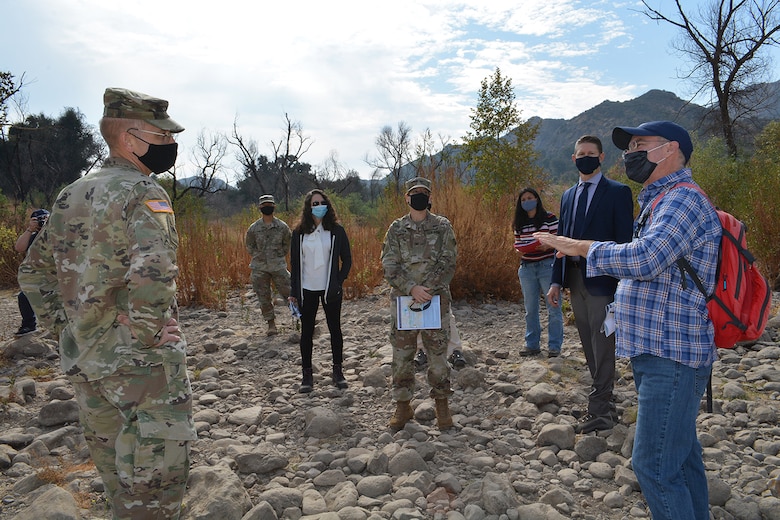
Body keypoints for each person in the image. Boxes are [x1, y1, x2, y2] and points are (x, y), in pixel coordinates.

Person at [18, 88, 196, 520]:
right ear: (131, 138)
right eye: (163, 136)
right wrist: (147, 332)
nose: (171, 145)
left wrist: (70, 326)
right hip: (141, 366)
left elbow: (32, 272)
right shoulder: (142, 191)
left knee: (118, 483)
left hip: (87, 361)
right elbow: (154, 270)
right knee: (156, 489)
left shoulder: (71, 194)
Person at [535, 121, 720, 520]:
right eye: (629, 146)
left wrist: (578, 247)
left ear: (670, 150)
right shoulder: (659, 200)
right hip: (658, 351)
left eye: (640, 144)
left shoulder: (682, 201)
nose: (630, 153)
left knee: (653, 466)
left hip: (672, 354)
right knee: (682, 458)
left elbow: (646, 258)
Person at [548, 134, 634, 434]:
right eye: (580, 153)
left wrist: (624, 285)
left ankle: (599, 411)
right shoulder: (568, 195)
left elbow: (625, 241)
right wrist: (556, 281)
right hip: (573, 280)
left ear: (601, 158)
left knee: (603, 344)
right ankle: (605, 401)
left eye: (591, 153)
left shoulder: (618, 192)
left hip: (603, 283)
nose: (585, 156)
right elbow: (563, 240)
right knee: (588, 343)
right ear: (574, 159)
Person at [382, 177, 457, 430]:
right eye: (414, 193)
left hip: (435, 302)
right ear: (406, 198)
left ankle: (442, 409)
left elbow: (448, 262)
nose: (419, 197)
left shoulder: (442, 226)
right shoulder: (396, 229)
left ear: (429, 197)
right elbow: (389, 265)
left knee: (437, 356)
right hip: (404, 303)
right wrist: (411, 288)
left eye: (423, 193)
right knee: (402, 357)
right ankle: (403, 407)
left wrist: (427, 290)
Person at [289, 189, 352, 393]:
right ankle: (307, 376)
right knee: (306, 332)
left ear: (328, 205)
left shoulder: (336, 231)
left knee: (335, 330)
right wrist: (293, 291)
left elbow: (347, 260)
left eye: (321, 202)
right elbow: (295, 265)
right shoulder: (299, 233)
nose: (318, 207)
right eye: (314, 204)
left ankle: (338, 372)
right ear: (308, 207)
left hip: (329, 290)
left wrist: (338, 281)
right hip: (307, 289)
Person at [513, 187, 564, 358]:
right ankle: (532, 344)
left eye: (530, 198)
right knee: (530, 309)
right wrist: (521, 250)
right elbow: (518, 244)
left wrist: (548, 245)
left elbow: (559, 240)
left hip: (547, 266)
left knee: (554, 306)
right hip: (527, 268)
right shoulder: (519, 222)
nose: (527, 201)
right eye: (523, 199)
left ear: (537, 199)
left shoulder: (549, 219)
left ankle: (554, 346)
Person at [245, 194, 292, 336]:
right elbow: (249, 246)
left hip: (278, 266)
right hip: (259, 268)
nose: (267, 208)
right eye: (264, 206)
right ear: (260, 208)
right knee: (263, 297)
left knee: (290, 293)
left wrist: (278, 255)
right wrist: (259, 257)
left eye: (269, 206)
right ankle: (271, 324)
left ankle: (303, 318)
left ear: (274, 207)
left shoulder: (282, 227)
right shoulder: (254, 228)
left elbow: (287, 244)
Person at [14, 209, 49, 336]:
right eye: (38, 220)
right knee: (23, 296)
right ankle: (29, 325)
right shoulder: (33, 237)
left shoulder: (57, 235)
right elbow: (19, 248)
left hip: (57, 277)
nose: (42, 222)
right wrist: (30, 229)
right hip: (39, 278)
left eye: (44, 219)